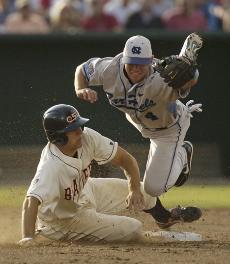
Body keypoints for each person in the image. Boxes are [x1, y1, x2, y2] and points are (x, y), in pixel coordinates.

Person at [19, 104, 201, 246]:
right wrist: (27, 238)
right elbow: (31, 201)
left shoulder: (87, 137)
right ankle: (155, 237)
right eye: (73, 130)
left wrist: (134, 189)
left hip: (85, 190)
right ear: (58, 137)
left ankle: (165, 218)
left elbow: (125, 159)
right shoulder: (51, 166)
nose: (80, 131)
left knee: (145, 191)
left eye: (79, 126)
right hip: (64, 220)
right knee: (133, 228)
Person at [74, 34, 203, 227]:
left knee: (154, 188)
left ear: (151, 61)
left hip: (169, 128)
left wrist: (190, 72)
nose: (135, 68)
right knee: (153, 185)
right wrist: (80, 89)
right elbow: (81, 70)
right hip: (141, 123)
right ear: (123, 59)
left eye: (141, 64)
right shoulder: (110, 68)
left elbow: (190, 79)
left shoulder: (164, 75)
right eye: (131, 63)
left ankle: (183, 153)